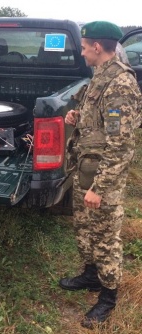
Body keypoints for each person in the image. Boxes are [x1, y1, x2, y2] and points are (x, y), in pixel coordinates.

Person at [60, 21, 141, 329]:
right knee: (84, 228)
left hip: (102, 178)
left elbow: (121, 146)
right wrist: (78, 116)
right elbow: (100, 117)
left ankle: (108, 298)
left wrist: (100, 188)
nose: (81, 52)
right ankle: (91, 275)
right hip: (86, 169)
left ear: (97, 46)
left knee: (105, 237)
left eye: (83, 46)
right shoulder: (99, 76)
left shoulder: (120, 84)